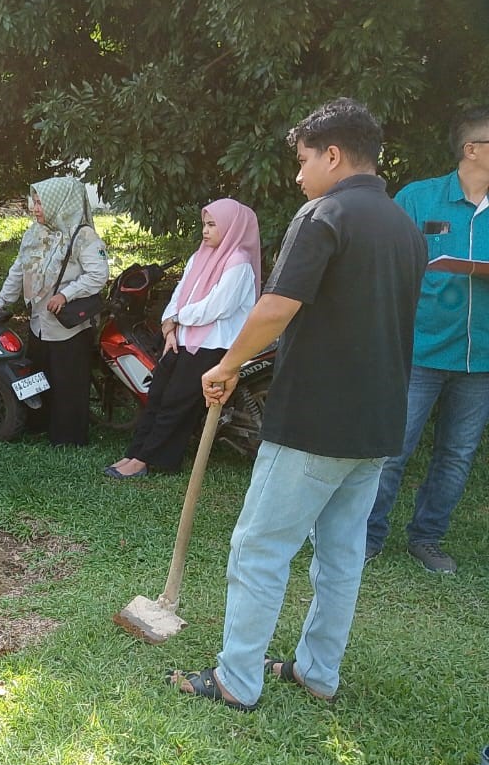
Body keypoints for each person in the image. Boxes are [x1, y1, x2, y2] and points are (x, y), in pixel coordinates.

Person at [168, 98, 425, 712]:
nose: (298, 175)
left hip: (315, 420)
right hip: (379, 422)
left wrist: (226, 365)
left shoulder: (324, 213)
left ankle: (237, 679)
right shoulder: (405, 227)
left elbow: (278, 306)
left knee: (259, 547)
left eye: (304, 159)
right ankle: (316, 672)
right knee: (340, 556)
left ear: (333, 155)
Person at [364, 105, 489, 574]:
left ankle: (428, 537)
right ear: (472, 149)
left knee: (457, 456)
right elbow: (383, 258)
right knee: (393, 450)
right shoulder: (419, 198)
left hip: (481, 359)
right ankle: (368, 536)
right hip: (419, 349)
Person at [106, 199, 260, 476]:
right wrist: (169, 325)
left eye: (212, 225)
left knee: (176, 401)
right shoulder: (200, 256)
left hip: (213, 345)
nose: (206, 231)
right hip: (183, 338)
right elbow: (180, 294)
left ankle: (149, 460)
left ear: (232, 226)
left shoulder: (239, 263)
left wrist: (178, 319)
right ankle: (135, 452)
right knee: (157, 395)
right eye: (205, 224)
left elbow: (217, 307)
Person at [0, 177, 110, 447]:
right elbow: (19, 269)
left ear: (59, 203)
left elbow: (99, 274)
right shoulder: (35, 233)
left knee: (68, 380)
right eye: (34, 201)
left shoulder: (83, 236)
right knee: (40, 375)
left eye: (40, 202)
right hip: (40, 322)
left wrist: (66, 294)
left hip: (67, 326)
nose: (34, 208)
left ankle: (68, 437)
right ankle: (39, 425)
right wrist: (1, 301)